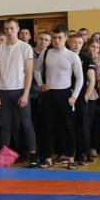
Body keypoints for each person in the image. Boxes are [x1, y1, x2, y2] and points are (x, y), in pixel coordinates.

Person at [33, 27, 84, 169]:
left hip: (66, 94)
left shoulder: (72, 56)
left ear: (66, 38)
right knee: (47, 127)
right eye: (54, 38)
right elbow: (36, 69)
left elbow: (80, 78)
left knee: (69, 128)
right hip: (49, 94)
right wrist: (40, 84)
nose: (56, 41)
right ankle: (47, 158)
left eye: (59, 38)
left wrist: (74, 96)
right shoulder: (46, 53)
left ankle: (71, 158)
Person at [0, 18, 38, 167]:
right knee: (5, 125)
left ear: (17, 29)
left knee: (26, 123)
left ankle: (33, 156)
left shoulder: (25, 47)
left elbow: (29, 73)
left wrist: (25, 94)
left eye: (12, 28)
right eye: (6, 29)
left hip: (20, 91)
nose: (9, 31)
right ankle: (4, 157)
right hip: (3, 91)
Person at [69, 34, 96, 165]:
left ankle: (84, 153)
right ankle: (69, 153)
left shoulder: (86, 58)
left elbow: (92, 80)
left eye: (80, 42)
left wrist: (85, 97)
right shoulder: (64, 56)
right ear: (69, 42)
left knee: (83, 126)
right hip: (66, 95)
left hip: (80, 97)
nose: (77, 45)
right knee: (69, 126)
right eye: (74, 42)